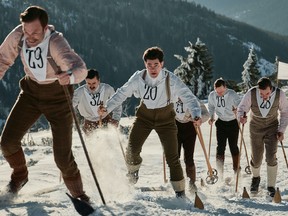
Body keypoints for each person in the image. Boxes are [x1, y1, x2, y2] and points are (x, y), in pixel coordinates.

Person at [0, 6, 90, 202]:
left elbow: (81, 69)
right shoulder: (19, 35)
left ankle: (80, 196)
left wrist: (70, 76)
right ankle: (20, 175)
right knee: (7, 143)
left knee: (62, 159)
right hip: (31, 93)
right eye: (27, 31)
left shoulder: (56, 43)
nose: (30, 37)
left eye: (35, 32)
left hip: (58, 98)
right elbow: (3, 58)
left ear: (45, 27)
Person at [98, 46, 202, 197]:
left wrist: (196, 114)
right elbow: (122, 93)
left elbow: (188, 97)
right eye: (149, 65)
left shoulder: (171, 79)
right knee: (132, 150)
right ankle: (133, 173)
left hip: (166, 119)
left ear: (162, 64)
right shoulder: (138, 78)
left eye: (156, 65)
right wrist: (107, 109)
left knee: (172, 157)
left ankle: (180, 193)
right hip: (144, 117)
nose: (152, 68)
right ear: (145, 64)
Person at [237, 77, 288, 197]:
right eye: (262, 94)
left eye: (267, 93)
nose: (264, 96)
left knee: (271, 157)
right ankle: (255, 178)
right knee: (256, 157)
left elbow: (285, 112)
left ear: (271, 88)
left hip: (272, 127)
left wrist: (281, 130)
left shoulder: (280, 94)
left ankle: (271, 186)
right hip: (255, 127)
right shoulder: (252, 93)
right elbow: (241, 108)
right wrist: (241, 117)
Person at [207, 78, 242, 178]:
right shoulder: (212, 95)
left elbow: (240, 104)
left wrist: (237, 110)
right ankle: (220, 171)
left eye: (222, 91)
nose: (220, 94)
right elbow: (211, 106)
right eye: (218, 92)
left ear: (225, 88)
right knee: (220, 147)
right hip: (221, 123)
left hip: (233, 123)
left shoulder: (232, 94)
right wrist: (211, 116)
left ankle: (236, 169)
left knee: (233, 146)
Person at [174, 97, 209, 192]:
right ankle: (177, 182)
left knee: (189, 158)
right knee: (174, 158)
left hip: (190, 129)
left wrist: (199, 119)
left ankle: (192, 184)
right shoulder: (171, 97)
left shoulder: (192, 98)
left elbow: (206, 114)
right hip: (175, 128)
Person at [73, 69, 122, 135]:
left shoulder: (107, 89)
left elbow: (116, 103)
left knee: (110, 142)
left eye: (94, 83)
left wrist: (116, 119)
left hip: (106, 119)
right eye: (89, 83)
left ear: (99, 81)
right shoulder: (79, 92)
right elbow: (70, 106)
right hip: (89, 122)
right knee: (92, 144)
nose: (91, 86)